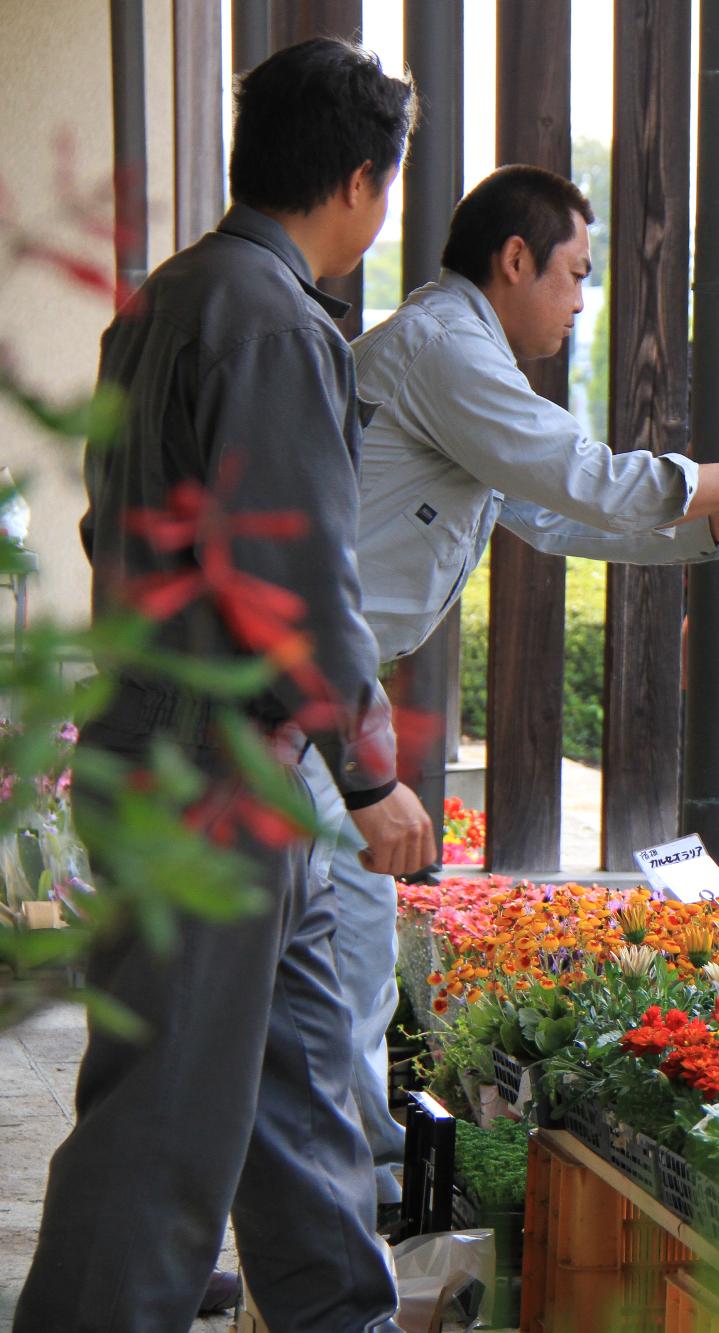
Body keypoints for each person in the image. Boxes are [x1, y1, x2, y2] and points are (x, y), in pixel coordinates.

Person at [16, 39, 430, 1331]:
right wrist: (369, 773)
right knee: (164, 1129)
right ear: (361, 183)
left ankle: (334, 1315)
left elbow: (111, 532)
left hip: (200, 754)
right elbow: (298, 575)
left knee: (296, 1082)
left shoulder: (169, 301)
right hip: (215, 777)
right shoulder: (269, 319)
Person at [322, 164, 719, 1215]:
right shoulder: (448, 348)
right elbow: (582, 477)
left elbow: (549, 515)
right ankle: (341, 1205)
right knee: (326, 965)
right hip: (309, 683)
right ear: (514, 262)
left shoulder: (463, 354)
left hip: (331, 676)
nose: (583, 301)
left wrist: (705, 529)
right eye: (576, 275)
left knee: (348, 956)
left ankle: (359, 1199)